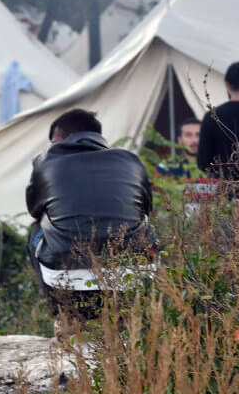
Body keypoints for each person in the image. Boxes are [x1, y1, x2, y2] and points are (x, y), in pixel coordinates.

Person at [25, 109, 153, 317]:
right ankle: (144, 314)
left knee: (36, 228)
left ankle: (60, 315)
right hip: (130, 275)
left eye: (54, 142)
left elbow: (34, 211)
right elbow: (147, 210)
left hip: (65, 277)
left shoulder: (45, 162)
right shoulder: (132, 161)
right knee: (147, 224)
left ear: (65, 139)